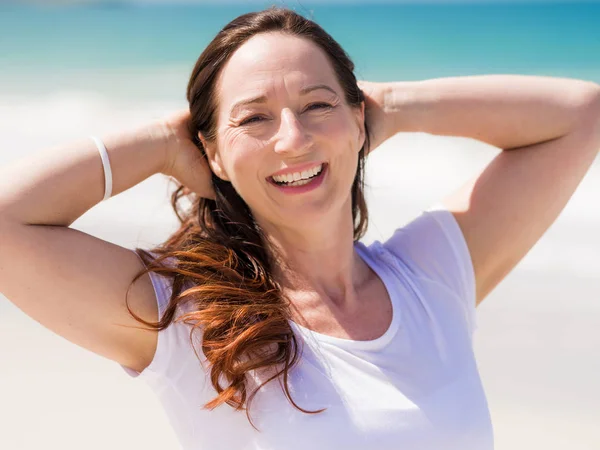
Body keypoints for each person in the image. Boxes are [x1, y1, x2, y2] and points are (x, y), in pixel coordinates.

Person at [1, 6, 599, 450]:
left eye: (318, 105)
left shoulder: (430, 277)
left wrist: (397, 105)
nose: (293, 138)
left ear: (358, 120)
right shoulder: (187, 316)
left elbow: (580, 114)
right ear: (211, 152)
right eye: (254, 118)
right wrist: (161, 143)